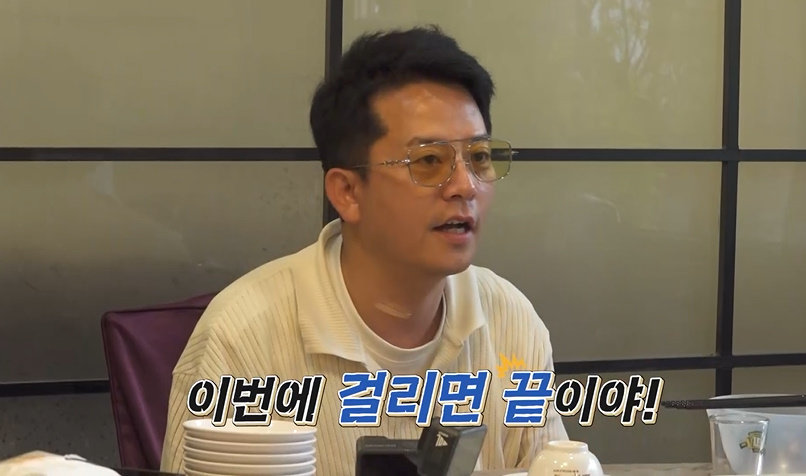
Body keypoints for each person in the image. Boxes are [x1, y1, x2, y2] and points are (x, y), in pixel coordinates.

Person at [160, 26, 567, 475]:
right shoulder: (243, 339)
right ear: (348, 192)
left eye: (480, 158)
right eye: (429, 161)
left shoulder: (510, 321)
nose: (465, 186)